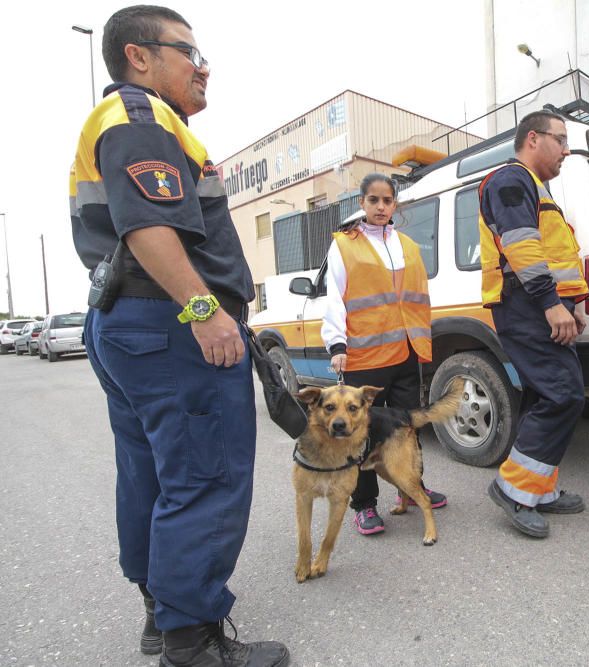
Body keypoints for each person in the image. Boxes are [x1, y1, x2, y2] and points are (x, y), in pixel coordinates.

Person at [69, 6, 288, 666]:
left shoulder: (132, 122)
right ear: (141, 56)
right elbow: (148, 226)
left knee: (151, 473)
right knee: (204, 476)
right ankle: (191, 640)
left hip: (129, 321)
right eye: (188, 51)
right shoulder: (143, 118)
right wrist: (205, 312)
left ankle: (159, 614)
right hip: (170, 324)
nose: (202, 66)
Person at [478, 111, 589, 538]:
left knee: (550, 393)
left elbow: (556, 255)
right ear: (532, 139)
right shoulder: (511, 179)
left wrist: (573, 302)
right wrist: (550, 303)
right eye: (560, 140)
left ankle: (538, 488)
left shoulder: (536, 188)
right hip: (525, 305)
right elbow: (521, 246)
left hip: (539, 304)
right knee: (563, 394)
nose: (566, 150)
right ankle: (514, 490)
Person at [321, 172, 446, 536]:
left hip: (406, 352)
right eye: (373, 200)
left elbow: (415, 298)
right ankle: (365, 505)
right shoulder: (345, 245)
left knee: (408, 430)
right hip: (365, 357)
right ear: (361, 203)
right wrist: (338, 345)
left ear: (395, 205)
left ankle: (413, 488)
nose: (380, 206)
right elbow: (335, 299)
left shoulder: (407, 244)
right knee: (360, 436)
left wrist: (422, 343)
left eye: (387, 200)